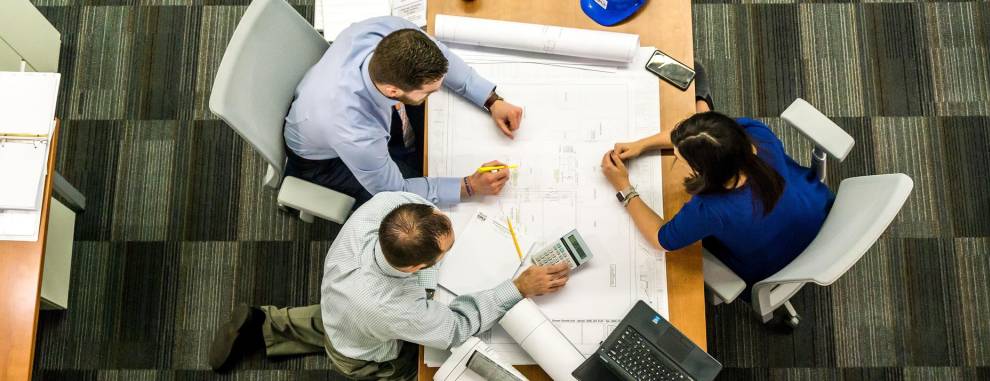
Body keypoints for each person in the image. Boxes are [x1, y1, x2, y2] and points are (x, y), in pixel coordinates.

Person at [207, 192, 570, 379]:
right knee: (409, 365)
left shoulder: (387, 206)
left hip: (340, 301)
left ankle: (264, 324)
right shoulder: (393, 308)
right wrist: (517, 288)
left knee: (337, 321)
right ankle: (271, 331)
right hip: (363, 353)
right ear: (415, 266)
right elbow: (455, 328)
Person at [599, 66, 833, 300]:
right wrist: (643, 144)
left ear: (704, 172)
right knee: (698, 77)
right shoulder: (755, 134)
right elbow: (705, 136)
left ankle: (702, 100)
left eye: (680, 159)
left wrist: (624, 187)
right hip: (816, 211)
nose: (676, 159)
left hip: (773, 264)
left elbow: (662, 239)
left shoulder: (711, 210)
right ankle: (703, 101)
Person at [283, 16, 524, 206]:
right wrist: (469, 186)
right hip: (323, 161)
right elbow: (395, 191)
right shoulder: (355, 132)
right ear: (393, 90)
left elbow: (442, 56)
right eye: (429, 91)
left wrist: (491, 100)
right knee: (412, 207)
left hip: (327, 105)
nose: (436, 93)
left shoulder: (390, 32)